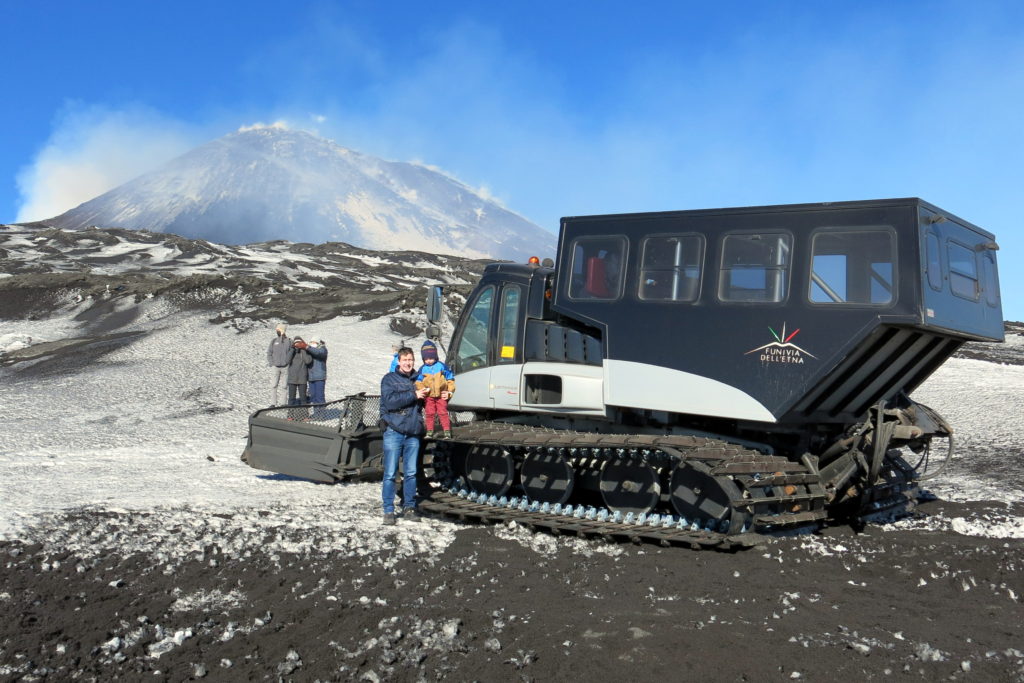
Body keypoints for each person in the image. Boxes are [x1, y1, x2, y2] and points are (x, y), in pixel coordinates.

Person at [380, 346, 429, 525]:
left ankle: (409, 506)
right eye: (405, 360)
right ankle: (388, 510)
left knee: (411, 473)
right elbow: (390, 402)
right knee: (391, 473)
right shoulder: (389, 379)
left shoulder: (420, 379)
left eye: (411, 360)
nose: (408, 363)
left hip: (413, 432)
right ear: (399, 361)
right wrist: (414, 394)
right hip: (394, 430)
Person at [416, 340, 455, 438]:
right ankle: (429, 430)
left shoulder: (441, 366)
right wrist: (423, 389)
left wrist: (449, 391)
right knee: (429, 413)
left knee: (443, 412)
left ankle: (446, 430)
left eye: (431, 358)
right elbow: (418, 382)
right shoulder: (422, 369)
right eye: (426, 358)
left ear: (435, 356)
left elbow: (450, 378)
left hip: (441, 395)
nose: (429, 360)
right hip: (429, 396)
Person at [286, 336, 313, 417]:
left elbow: (308, 361)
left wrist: (303, 349)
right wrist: (292, 349)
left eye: (299, 343)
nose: (297, 345)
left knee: (303, 399)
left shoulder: (305, 351)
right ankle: (290, 415)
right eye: (296, 343)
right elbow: (287, 360)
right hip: (292, 378)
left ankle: (304, 415)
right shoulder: (291, 351)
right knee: (291, 398)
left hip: (302, 378)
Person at [267, 323, 291, 405]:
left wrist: (288, 363)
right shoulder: (274, 341)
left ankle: (283, 403)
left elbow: (292, 353)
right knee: (273, 385)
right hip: (275, 367)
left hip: (285, 367)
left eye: (278, 330)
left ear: (282, 330)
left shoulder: (289, 341)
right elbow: (269, 352)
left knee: (284, 386)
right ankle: (273, 403)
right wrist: (272, 363)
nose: (276, 331)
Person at [306, 338, 328, 414]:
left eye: (313, 342)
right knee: (313, 397)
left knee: (319, 396)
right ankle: (316, 414)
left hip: (319, 377)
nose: (311, 343)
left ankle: (321, 414)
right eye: (311, 342)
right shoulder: (310, 350)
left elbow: (318, 353)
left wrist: (308, 347)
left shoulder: (323, 349)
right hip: (311, 377)